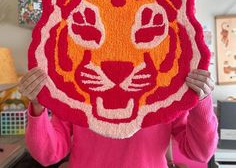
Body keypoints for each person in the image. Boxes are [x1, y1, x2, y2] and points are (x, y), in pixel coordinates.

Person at [19, 67, 218, 168]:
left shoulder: (165, 88)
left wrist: (201, 101)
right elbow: (47, 154)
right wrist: (38, 106)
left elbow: (200, 152)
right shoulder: (76, 90)